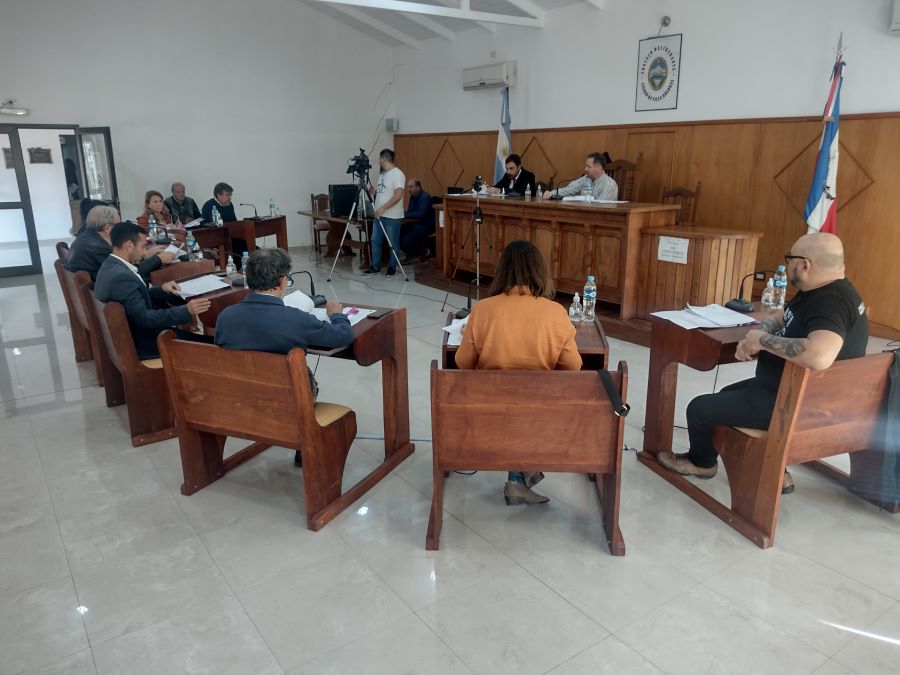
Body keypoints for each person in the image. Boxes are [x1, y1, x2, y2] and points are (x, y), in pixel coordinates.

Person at [657, 232, 869, 494]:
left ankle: (702, 464)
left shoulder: (829, 303)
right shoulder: (824, 289)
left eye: (790, 259)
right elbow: (784, 316)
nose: (788, 265)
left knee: (699, 408)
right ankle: (775, 467)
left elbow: (819, 355)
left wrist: (762, 342)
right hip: (806, 395)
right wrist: (760, 333)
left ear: (805, 265)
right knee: (726, 394)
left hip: (793, 405)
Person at [456, 239, 582, 505]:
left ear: (502, 270)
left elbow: (463, 363)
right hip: (539, 413)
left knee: (512, 406)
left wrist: (472, 335)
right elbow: (574, 367)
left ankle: (518, 479)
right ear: (540, 271)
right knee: (526, 405)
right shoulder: (556, 313)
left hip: (489, 412)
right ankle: (521, 476)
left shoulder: (483, 309)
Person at [215, 248, 354, 467]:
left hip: (241, 397)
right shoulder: (295, 319)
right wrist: (337, 315)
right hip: (289, 401)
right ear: (282, 281)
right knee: (303, 379)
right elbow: (343, 336)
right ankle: (304, 441)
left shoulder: (226, 316)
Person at [94, 221, 211, 360]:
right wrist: (186, 311)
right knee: (213, 345)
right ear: (129, 246)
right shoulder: (121, 278)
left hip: (136, 337)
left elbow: (134, 300)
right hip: (148, 344)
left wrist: (161, 289)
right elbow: (145, 318)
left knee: (202, 339)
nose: (145, 253)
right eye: (143, 247)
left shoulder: (109, 266)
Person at [66, 205, 174, 281]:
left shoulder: (87, 237)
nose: (121, 228)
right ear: (107, 228)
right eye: (118, 224)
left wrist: (145, 253)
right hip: (105, 298)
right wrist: (159, 259)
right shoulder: (98, 247)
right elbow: (129, 272)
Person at [363, 149, 405, 276]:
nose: (379, 161)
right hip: (379, 215)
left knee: (392, 242)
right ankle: (375, 266)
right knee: (375, 240)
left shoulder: (397, 174)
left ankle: (392, 267)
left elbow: (398, 195)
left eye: (380, 158)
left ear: (384, 158)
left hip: (392, 216)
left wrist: (384, 208)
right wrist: (374, 191)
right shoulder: (383, 174)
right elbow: (383, 190)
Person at [201, 181, 246, 266]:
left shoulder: (229, 205)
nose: (230, 198)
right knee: (236, 248)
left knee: (244, 244)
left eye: (230, 195)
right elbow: (205, 227)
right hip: (217, 238)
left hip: (230, 235)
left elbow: (234, 221)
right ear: (219, 195)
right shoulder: (208, 206)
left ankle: (244, 267)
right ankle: (237, 268)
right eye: (227, 195)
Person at [544, 151, 617, 201]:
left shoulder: (609, 185)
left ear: (599, 168)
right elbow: (569, 189)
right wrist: (551, 193)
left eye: (588, 166)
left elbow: (602, 208)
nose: (585, 169)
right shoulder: (586, 178)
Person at [399, 178, 435, 260]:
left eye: (411, 187)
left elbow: (420, 214)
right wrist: (402, 214)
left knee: (406, 240)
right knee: (398, 233)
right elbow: (411, 212)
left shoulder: (425, 197)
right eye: (408, 187)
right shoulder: (412, 197)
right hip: (414, 224)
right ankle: (412, 253)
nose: (409, 189)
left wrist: (404, 215)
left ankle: (419, 253)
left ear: (418, 187)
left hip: (426, 226)